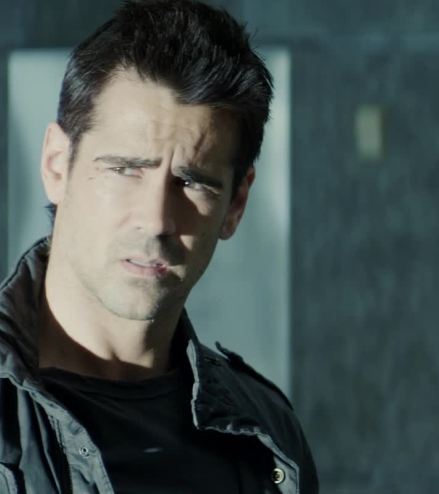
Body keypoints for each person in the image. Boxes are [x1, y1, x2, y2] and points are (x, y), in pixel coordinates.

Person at [0, 0, 318, 492]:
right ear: (57, 165)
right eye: (126, 169)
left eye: (191, 183)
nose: (155, 220)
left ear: (236, 204)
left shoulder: (266, 437)